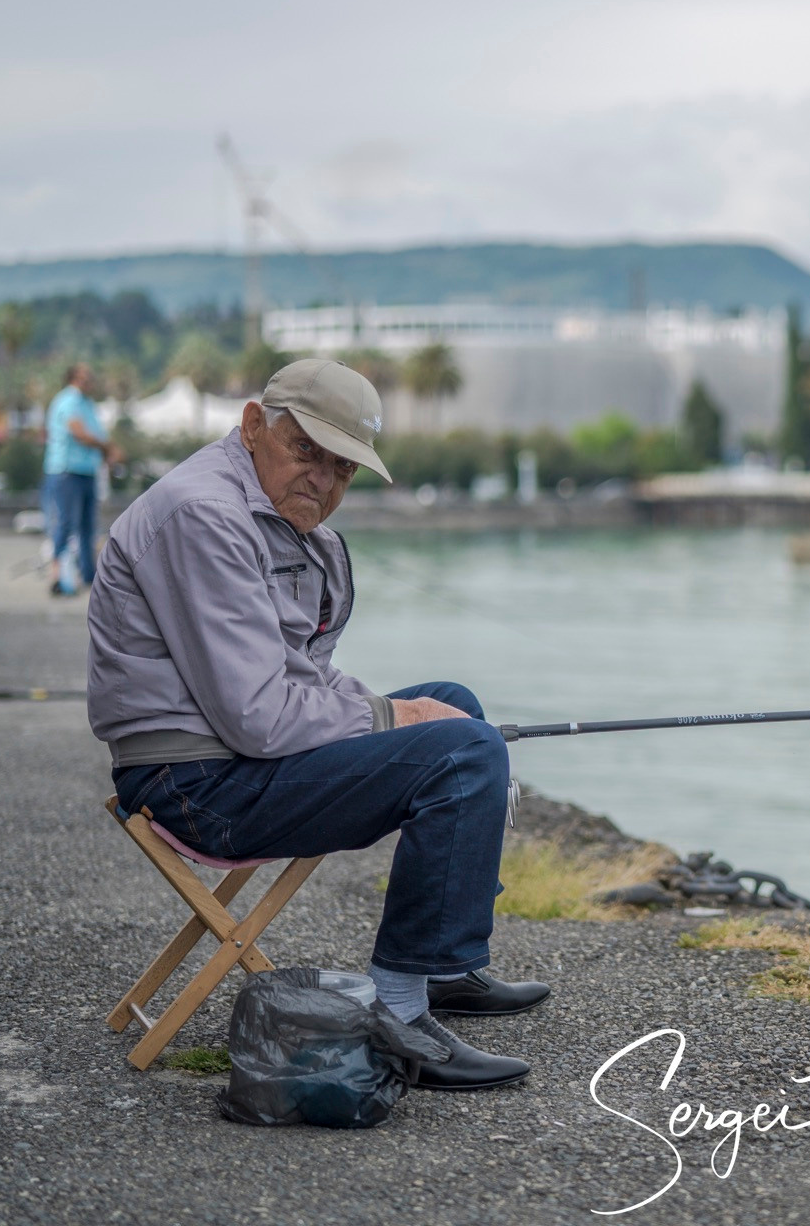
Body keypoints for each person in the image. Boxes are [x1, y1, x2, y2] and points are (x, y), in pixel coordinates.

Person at [86, 359, 543, 1090]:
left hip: (232, 757)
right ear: (252, 426)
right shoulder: (205, 514)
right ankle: (397, 1012)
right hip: (195, 783)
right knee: (461, 751)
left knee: (455, 702)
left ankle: (443, 967)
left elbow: (302, 678)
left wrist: (416, 713)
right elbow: (262, 717)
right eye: (307, 452)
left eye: (343, 469)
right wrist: (402, 718)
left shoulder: (281, 522)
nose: (322, 481)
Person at [42, 363, 120, 595]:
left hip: (87, 472)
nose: (91, 382)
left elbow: (96, 435)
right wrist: (107, 447)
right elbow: (80, 434)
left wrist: (108, 453)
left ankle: (89, 576)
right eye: (86, 378)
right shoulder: (67, 401)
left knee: (88, 526)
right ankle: (56, 575)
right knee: (66, 523)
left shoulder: (88, 404)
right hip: (66, 472)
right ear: (74, 379)